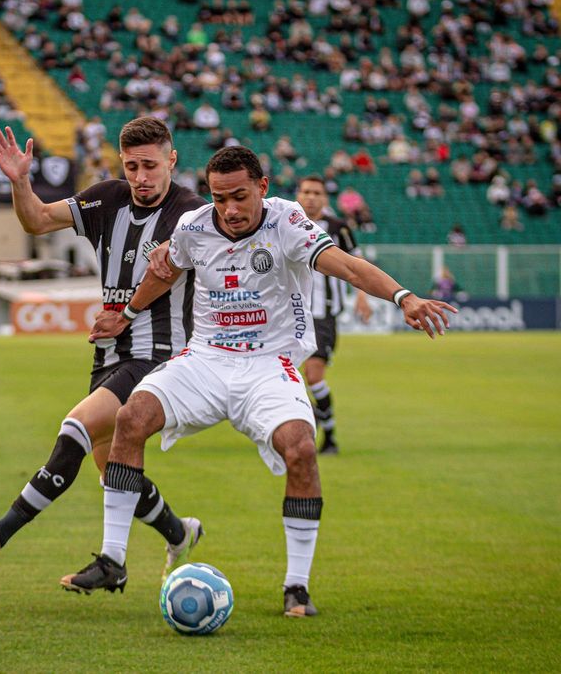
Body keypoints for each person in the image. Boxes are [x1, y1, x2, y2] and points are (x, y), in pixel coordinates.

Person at [61, 146, 455, 616]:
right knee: (132, 417)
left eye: (240, 197)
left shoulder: (287, 222)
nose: (229, 209)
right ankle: (113, 559)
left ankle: (297, 587)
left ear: (262, 189)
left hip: (269, 363)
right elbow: (162, 275)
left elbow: (346, 266)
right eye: (219, 197)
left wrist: (403, 296)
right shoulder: (194, 227)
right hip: (205, 359)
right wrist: (125, 315)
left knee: (302, 449)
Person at [0, 117, 207, 581]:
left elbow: (167, 273)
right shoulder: (107, 198)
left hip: (159, 355)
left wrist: (127, 314)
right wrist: (21, 182)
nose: (141, 177)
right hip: (111, 354)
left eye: (151, 166)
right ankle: (180, 533)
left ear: (172, 161)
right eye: (132, 166)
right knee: (113, 471)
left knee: (75, 427)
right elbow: (35, 220)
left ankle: (0, 534)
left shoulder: (189, 213)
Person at [295, 175, 372, 455]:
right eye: (306, 191)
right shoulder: (285, 222)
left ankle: (329, 436)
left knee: (314, 376)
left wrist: (362, 295)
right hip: (288, 315)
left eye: (316, 192)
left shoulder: (338, 228)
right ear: (298, 194)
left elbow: (358, 262)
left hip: (322, 316)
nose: (311, 197)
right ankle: (300, 422)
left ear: (325, 198)